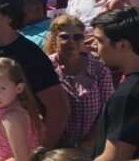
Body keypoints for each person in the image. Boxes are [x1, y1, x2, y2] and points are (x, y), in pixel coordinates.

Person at [0, 0, 70, 149]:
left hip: (22, 150)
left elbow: (59, 109)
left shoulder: (31, 55)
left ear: (9, 17)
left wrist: (40, 152)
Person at [46, 15, 114, 150]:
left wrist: (87, 144)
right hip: (56, 146)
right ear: (54, 39)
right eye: (65, 37)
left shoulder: (99, 69)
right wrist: (63, 142)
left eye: (77, 37)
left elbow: (107, 110)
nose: (72, 41)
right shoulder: (45, 68)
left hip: (93, 146)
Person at [89, 8, 139, 161]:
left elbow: (112, 160)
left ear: (123, 45)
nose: (93, 45)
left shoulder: (128, 95)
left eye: (100, 40)